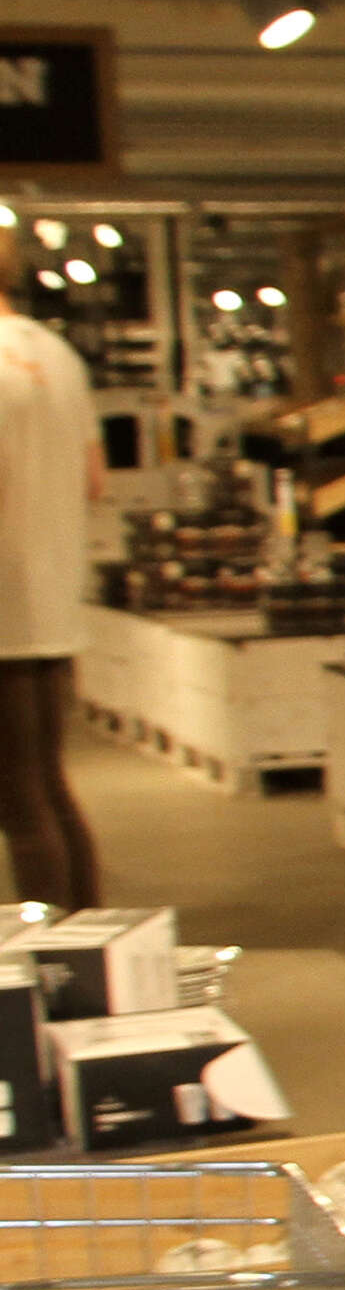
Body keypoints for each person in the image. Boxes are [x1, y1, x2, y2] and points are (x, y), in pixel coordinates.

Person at [0, 306, 95, 909]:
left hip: (3, 602)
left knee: (18, 798)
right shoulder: (59, 355)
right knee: (46, 786)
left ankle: (56, 952)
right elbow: (94, 478)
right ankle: (89, 939)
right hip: (50, 597)